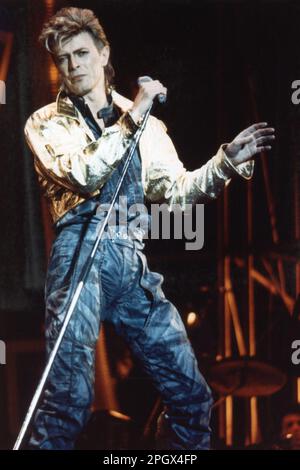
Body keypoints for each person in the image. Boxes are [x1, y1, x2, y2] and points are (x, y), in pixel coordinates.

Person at [24, 7, 275, 450]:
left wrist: (226, 162)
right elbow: (82, 174)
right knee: (68, 400)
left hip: (130, 254)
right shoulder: (45, 122)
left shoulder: (146, 123)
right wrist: (131, 118)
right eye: (64, 59)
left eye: (82, 53)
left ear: (103, 54)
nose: (74, 65)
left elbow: (176, 192)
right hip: (79, 250)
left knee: (192, 396)